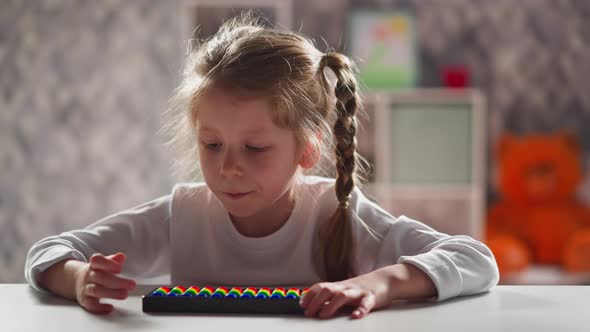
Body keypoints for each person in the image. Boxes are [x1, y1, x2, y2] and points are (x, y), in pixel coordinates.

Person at [25, 15, 498, 319]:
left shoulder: (340, 214)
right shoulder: (183, 215)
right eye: (212, 144)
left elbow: (476, 260)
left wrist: (379, 283)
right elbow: (48, 252)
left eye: (254, 149)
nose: (229, 167)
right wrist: (80, 278)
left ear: (307, 150)